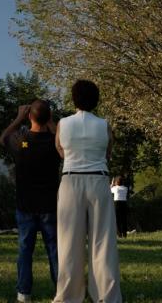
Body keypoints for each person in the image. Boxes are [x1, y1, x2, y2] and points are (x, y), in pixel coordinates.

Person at [53, 79, 122, 303]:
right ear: (96, 99)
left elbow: (60, 151)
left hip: (70, 180)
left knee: (68, 242)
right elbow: (108, 153)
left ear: (74, 98)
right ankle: (106, 295)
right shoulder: (104, 125)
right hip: (98, 180)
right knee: (103, 240)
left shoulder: (63, 124)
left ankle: (68, 296)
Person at [0, 99, 60, 303]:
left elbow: (3, 138)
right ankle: (61, 289)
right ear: (49, 117)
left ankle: (24, 292)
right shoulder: (54, 142)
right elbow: (64, 142)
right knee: (54, 249)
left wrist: (18, 118)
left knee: (25, 250)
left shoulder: (21, 140)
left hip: (25, 204)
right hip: (50, 205)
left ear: (29, 116)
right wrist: (50, 121)